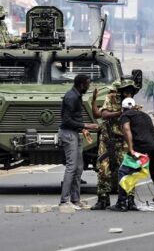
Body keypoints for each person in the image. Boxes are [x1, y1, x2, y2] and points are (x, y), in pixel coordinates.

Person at [109, 98, 154, 212]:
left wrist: (131, 149)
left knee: (123, 171)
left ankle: (121, 203)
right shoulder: (144, 115)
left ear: (123, 108)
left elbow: (126, 130)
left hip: (141, 148)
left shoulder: (125, 115)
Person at [59, 74, 99, 209]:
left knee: (79, 167)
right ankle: (64, 201)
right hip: (68, 134)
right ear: (82, 84)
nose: (88, 86)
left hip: (75, 133)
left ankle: (75, 200)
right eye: (88, 84)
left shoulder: (77, 96)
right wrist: (86, 126)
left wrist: (82, 129)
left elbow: (74, 118)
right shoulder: (71, 97)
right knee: (71, 167)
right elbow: (66, 120)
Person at [90, 82, 126, 210]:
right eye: (110, 92)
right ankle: (103, 199)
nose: (111, 94)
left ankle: (126, 200)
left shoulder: (128, 103)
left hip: (121, 142)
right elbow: (98, 114)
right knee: (103, 169)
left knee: (125, 170)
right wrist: (94, 100)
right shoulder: (109, 102)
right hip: (106, 141)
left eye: (113, 92)